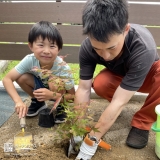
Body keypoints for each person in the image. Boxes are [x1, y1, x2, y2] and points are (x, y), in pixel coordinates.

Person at [74, 0, 160, 159]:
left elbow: (119, 101)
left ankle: (142, 122)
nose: (105, 56)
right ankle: (112, 114)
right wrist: (78, 126)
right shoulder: (87, 47)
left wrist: (92, 139)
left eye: (111, 47)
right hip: (121, 75)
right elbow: (84, 88)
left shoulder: (142, 46)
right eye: (97, 49)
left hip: (148, 76)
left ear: (126, 30)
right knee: (100, 83)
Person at [2, 21, 75, 124]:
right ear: (31, 46)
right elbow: (7, 79)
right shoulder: (29, 60)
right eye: (41, 45)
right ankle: (38, 102)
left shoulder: (62, 67)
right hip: (40, 87)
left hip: (58, 93)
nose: (46, 51)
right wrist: (18, 101)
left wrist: (52, 95)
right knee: (21, 77)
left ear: (59, 49)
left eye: (52, 46)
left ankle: (61, 107)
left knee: (54, 81)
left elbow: (72, 97)